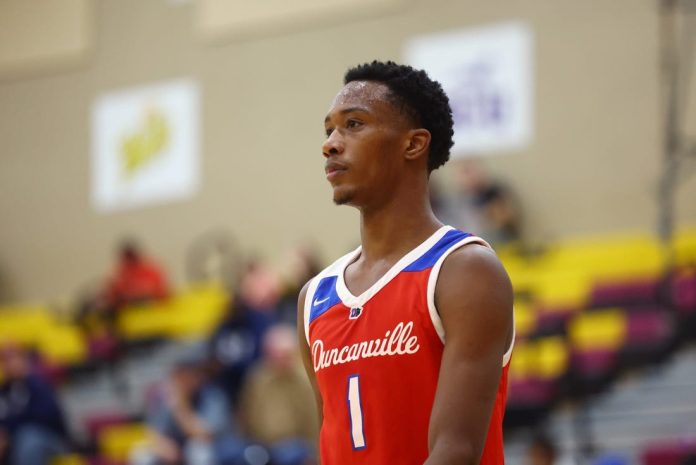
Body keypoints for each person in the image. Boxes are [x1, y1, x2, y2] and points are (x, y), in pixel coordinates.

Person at [298, 61, 514, 465]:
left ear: (413, 145)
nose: (331, 144)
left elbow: (455, 451)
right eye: (329, 130)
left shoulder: (464, 270)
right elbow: (330, 445)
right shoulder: (315, 296)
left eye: (354, 124)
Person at [133, 355, 244, 465]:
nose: (179, 381)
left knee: (198, 451)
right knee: (142, 454)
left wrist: (181, 407)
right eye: (177, 376)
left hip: (218, 447)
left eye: (184, 375)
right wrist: (164, 446)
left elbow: (205, 435)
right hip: (177, 447)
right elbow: (153, 431)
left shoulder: (212, 395)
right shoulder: (167, 396)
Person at [240, 324, 318, 465]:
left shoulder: (305, 381)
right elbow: (247, 412)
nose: (279, 359)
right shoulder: (258, 378)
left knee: (288, 456)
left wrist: (313, 453)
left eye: (284, 355)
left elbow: (313, 419)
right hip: (261, 443)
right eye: (274, 354)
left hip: (295, 445)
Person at [0, 343, 68, 465]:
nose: (11, 364)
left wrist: (10, 430)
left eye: (14, 358)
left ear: (24, 359)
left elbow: (48, 416)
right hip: (15, 440)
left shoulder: (38, 383)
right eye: (5, 360)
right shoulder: (5, 391)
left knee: (29, 439)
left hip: (50, 438)